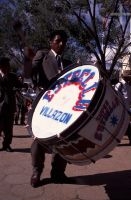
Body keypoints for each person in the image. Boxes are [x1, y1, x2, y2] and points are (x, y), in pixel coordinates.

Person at [30, 30, 72, 187]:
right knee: (39, 140)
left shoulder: (69, 63)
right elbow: (30, 71)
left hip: (66, 108)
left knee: (64, 140)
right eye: (58, 40)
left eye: (64, 42)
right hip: (45, 106)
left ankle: (58, 173)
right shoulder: (43, 55)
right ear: (51, 42)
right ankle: (36, 172)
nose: (62, 44)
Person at [0, 57, 23, 152]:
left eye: (8, 66)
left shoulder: (13, 76)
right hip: (0, 106)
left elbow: (19, 85)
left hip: (10, 105)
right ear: (1, 67)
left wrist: (23, 85)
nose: (8, 68)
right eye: (6, 66)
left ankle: (7, 145)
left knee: (9, 128)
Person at [115, 72, 131, 146]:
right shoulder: (120, 84)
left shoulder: (128, 85)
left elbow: (129, 97)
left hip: (127, 107)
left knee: (126, 124)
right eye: (129, 77)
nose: (130, 78)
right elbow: (115, 95)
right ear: (125, 77)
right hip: (121, 108)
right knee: (123, 124)